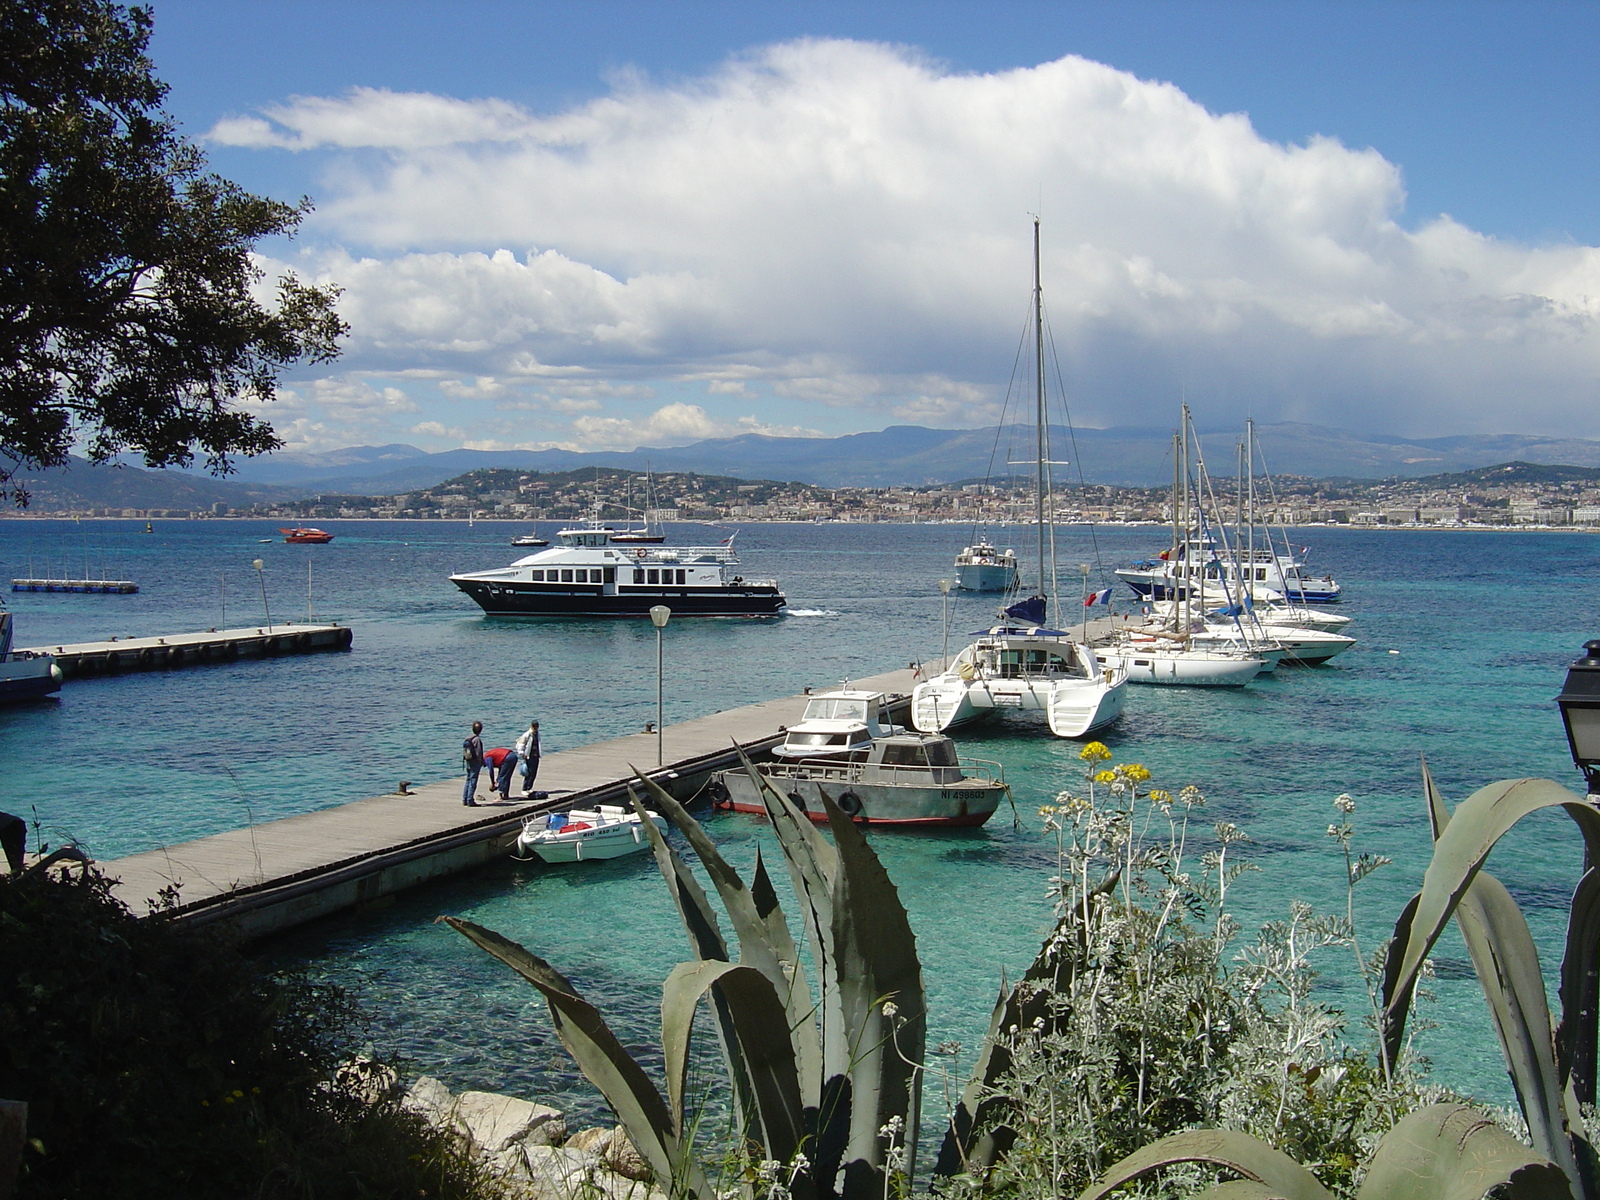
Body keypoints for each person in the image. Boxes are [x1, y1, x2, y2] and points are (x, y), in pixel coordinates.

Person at [515, 720, 541, 797]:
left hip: (536, 755)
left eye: (537, 727)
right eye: (534, 727)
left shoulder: (537, 734)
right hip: (529, 756)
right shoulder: (527, 734)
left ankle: (529, 787)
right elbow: (521, 744)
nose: (536, 728)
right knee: (528, 772)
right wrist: (522, 753)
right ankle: (524, 788)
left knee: (534, 772)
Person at [461, 721, 485, 806]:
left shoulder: (468, 738)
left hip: (468, 761)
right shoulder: (477, 739)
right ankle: (470, 800)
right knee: (473, 780)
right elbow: (478, 752)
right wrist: (481, 761)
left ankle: (465, 799)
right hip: (475, 762)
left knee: (468, 779)